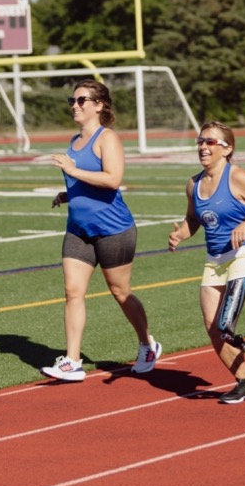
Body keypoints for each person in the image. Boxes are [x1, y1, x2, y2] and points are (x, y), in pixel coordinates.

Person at [42, 79, 161, 381]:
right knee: (72, 291)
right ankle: (72, 361)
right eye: (73, 99)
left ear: (99, 105)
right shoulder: (74, 140)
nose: (75, 105)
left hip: (113, 229)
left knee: (120, 292)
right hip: (78, 230)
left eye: (82, 100)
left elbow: (112, 179)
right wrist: (68, 194)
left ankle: (148, 344)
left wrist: (71, 171)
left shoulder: (106, 138)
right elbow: (87, 181)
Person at [168, 121, 245, 404]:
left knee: (225, 322)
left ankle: (240, 338)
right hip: (215, 259)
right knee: (212, 326)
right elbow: (194, 218)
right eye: (200, 141)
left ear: (227, 149)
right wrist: (181, 233)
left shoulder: (238, 177)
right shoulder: (193, 183)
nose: (203, 147)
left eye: (210, 142)